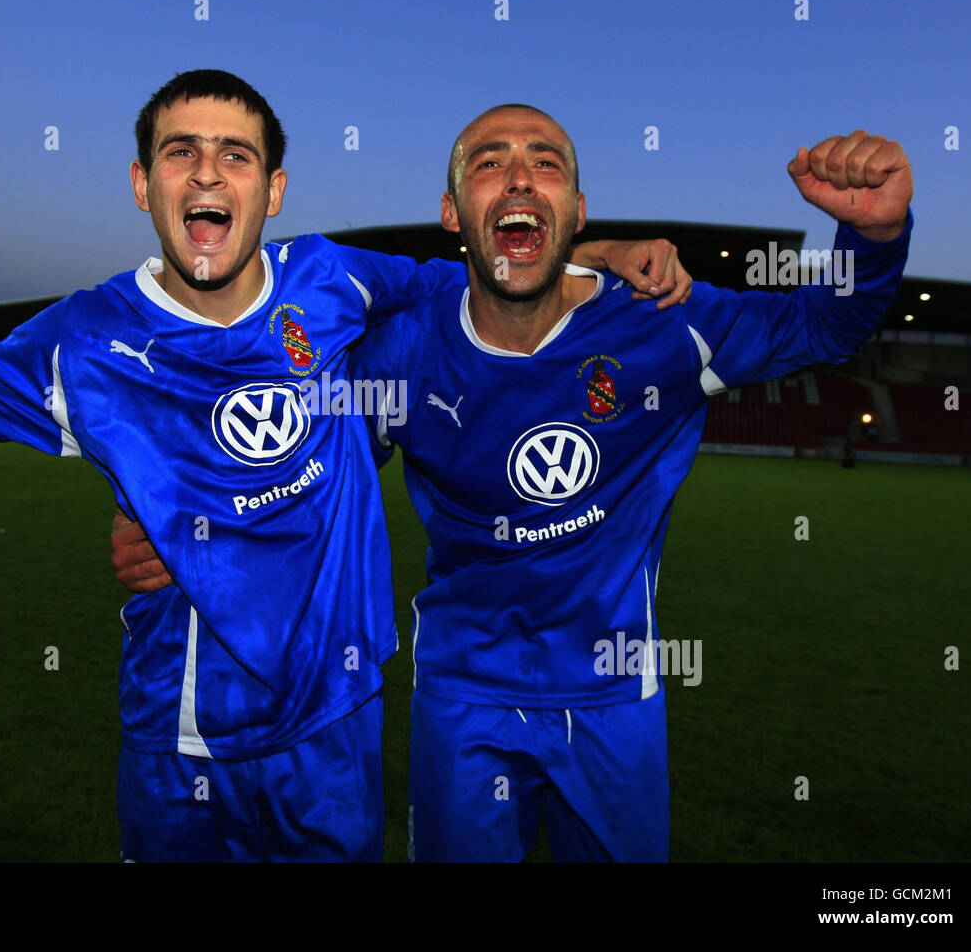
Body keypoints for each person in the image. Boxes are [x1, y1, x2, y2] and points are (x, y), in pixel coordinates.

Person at [0, 70, 686, 862]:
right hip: (182, 735)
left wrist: (596, 255)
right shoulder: (85, 340)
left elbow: (485, 277)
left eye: (234, 155)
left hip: (335, 731)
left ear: (271, 190)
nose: (206, 173)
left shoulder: (333, 279)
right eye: (180, 153)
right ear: (141, 184)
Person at [113, 103, 913, 861]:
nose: (521, 177)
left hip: (614, 694)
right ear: (454, 212)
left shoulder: (666, 323)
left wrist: (871, 241)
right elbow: (302, 477)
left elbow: (823, 324)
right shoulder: (401, 354)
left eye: (547, 163)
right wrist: (175, 517)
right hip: (463, 697)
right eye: (490, 164)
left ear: (579, 208)